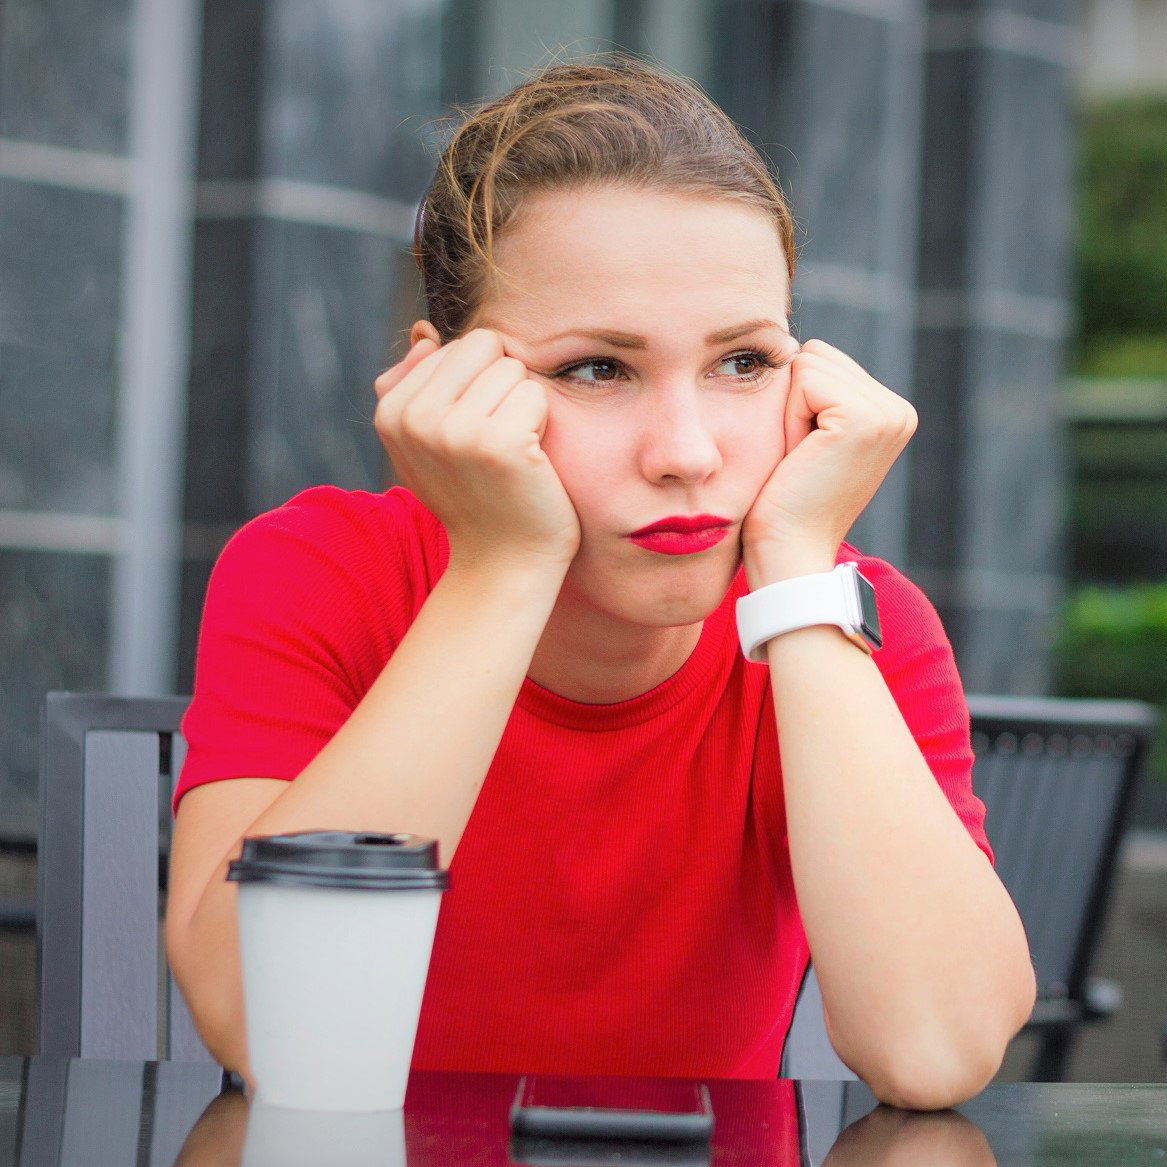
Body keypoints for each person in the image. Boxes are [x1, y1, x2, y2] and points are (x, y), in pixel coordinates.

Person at [161, 58, 1035, 1111]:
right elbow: (271, 1025)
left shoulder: (848, 619)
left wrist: (799, 572)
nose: (686, 452)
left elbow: (935, 1053)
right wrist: (500, 566)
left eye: (744, 363)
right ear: (445, 382)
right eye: (595, 369)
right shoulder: (318, 573)